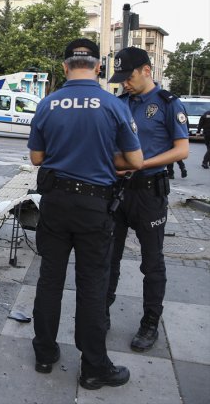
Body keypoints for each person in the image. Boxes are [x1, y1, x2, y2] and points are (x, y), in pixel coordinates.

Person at [28, 38, 143, 390]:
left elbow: (36, 158)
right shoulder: (112, 104)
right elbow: (136, 161)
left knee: (50, 279)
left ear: (65, 67)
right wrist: (99, 160)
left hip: (55, 203)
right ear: (97, 67)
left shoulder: (48, 104)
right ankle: (94, 367)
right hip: (95, 206)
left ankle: (45, 353)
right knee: (92, 286)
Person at [106, 47, 189, 353]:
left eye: (128, 76)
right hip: (117, 191)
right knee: (108, 257)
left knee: (151, 263)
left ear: (145, 70)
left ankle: (150, 322)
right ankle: (102, 313)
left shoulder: (168, 104)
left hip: (149, 193)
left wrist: (141, 163)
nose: (124, 83)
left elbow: (182, 150)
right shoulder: (120, 103)